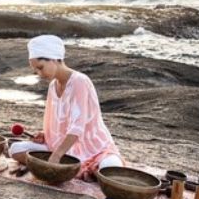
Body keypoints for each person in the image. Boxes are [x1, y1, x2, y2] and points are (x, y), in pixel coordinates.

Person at [8, 34, 123, 180]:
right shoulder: (52, 86)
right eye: (36, 70)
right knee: (16, 150)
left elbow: (77, 127)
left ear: (54, 58)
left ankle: (88, 167)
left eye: (40, 67)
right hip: (62, 148)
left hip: (93, 150)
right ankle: (79, 169)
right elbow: (57, 121)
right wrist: (45, 134)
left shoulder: (79, 81)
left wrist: (56, 156)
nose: (39, 73)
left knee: (111, 169)